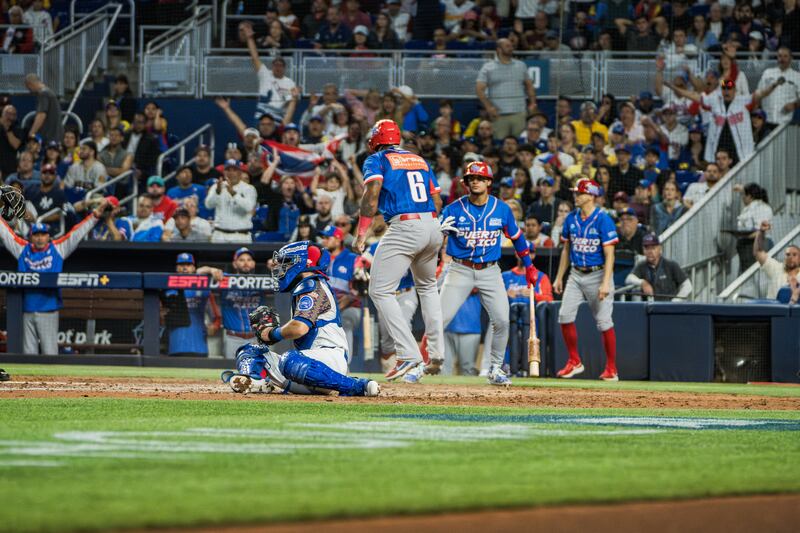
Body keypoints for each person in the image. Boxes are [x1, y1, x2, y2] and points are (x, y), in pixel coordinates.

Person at [431, 160, 537, 386]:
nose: (475, 181)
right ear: (466, 182)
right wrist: (438, 233)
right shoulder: (453, 209)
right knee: (438, 319)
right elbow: (432, 241)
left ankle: (495, 368)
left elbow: (517, 238)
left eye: (480, 178)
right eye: (471, 178)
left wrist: (529, 266)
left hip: (490, 270)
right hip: (460, 269)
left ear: (489, 182)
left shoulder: (502, 209)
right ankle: (426, 362)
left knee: (502, 321)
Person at [226, 242, 379, 396]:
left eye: (286, 263)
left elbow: (299, 328)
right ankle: (256, 381)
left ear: (303, 264)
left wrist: (271, 333)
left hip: (330, 360)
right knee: (250, 351)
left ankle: (355, 386)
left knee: (289, 359)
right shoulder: (305, 287)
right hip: (306, 369)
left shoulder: (312, 286)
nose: (281, 268)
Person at [355, 119, 444, 383]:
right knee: (428, 287)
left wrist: (362, 232)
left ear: (376, 139)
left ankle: (408, 354)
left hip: (405, 224)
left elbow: (372, 195)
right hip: (432, 224)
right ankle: (436, 353)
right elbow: (437, 199)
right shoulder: (418, 159)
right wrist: (429, 226)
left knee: (379, 290)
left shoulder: (377, 159)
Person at [0, 198, 109, 355]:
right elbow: (5, 233)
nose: (39, 238)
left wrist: (95, 215)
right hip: (27, 308)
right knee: (28, 353)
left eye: (43, 234)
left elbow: (76, 233)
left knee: (49, 352)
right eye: (36, 235)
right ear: (31, 237)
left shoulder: (57, 249)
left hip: (49, 309)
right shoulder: (23, 249)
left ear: (48, 237)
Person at [552, 179, 619, 381]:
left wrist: (605, 282)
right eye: (576, 192)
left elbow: (610, 254)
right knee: (564, 315)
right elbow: (566, 249)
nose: (576, 196)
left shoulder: (603, 219)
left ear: (591, 196)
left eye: (580, 193)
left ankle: (612, 369)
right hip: (576, 273)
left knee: (604, 322)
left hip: (598, 273)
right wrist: (559, 277)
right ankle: (574, 361)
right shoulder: (571, 218)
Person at [665, 76, 784, 164]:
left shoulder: (744, 101)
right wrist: (673, 87)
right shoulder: (714, 101)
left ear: (735, 90)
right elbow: (692, 95)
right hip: (719, 148)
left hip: (739, 150)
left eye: (729, 88)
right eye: (724, 88)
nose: (726, 91)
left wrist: (774, 85)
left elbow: (762, 93)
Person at [502, 242, 553, 377]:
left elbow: (549, 299)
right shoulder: (505, 276)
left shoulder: (540, 276)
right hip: (508, 320)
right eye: (521, 251)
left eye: (529, 252)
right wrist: (505, 294)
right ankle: (504, 368)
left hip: (531, 322)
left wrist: (534, 295)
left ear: (534, 255)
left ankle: (528, 370)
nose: (525, 255)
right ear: (516, 253)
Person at [476, 38, 538, 140]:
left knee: (520, 143)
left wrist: (533, 103)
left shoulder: (521, 65)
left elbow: (529, 86)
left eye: (511, 46)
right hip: (499, 115)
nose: (511, 48)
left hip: (519, 114)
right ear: (499, 49)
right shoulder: (488, 67)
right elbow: (479, 89)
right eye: (507, 46)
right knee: (500, 144)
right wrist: (489, 107)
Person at [239, 23, 299, 124]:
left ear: (284, 68)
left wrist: (292, 99)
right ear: (272, 66)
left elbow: (289, 105)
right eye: (276, 65)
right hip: (261, 117)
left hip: (278, 118)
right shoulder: (265, 74)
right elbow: (255, 57)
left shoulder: (290, 83)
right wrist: (250, 39)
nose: (278, 67)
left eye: (280, 65)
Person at [319, 224, 361, 357]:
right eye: (323, 238)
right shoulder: (320, 258)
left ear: (338, 240)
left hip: (349, 307)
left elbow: (359, 289)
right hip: (324, 306)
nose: (323, 241)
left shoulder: (353, 258)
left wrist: (349, 299)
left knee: (345, 322)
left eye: (327, 238)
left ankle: (345, 363)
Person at [168, 253, 221, 357]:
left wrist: (214, 326)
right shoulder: (169, 289)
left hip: (199, 345)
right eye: (181, 265)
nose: (184, 268)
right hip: (176, 344)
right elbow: (160, 315)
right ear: (176, 268)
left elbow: (216, 316)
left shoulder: (203, 289)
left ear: (193, 268)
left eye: (188, 265)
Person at [626, 233, 692, 301]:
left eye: (653, 248)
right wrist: (642, 282)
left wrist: (675, 301)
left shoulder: (671, 265)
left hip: (668, 305)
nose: (650, 252)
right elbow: (629, 278)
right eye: (647, 248)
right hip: (650, 306)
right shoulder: (641, 265)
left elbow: (687, 286)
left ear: (659, 248)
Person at [205, 159, 257, 243]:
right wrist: (217, 192)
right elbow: (208, 205)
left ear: (240, 172)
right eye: (228, 170)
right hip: (220, 235)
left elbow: (249, 208)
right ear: (224, 172)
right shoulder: (217, 186)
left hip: (241, 235)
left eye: (234, 170)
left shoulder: (249, 188)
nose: (231, 173)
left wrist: (234, 194)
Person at [754, 222, 800, 300]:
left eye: (794, 255)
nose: (790, 257)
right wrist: (761, 232)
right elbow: (758, 252)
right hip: (773, 307)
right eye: (788, 254)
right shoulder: (776, 268)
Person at [734, 183, 773, 272]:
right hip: (747, 245)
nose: (742, 198)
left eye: (744, 195)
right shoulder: (748, 208)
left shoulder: (761, 207)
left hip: (759, 244)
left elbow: (760, 230)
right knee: (746, 273)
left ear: (749, 196)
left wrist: (744, 235)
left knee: (755, 272)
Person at [24, 74, 63, 146]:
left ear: (30, 84)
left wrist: (32, 132)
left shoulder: (43, 94)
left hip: (49, 137)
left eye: (28, 88)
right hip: (55, 136)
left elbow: (41, 115)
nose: (29, 91)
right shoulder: (49, 92)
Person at [124, 112, 161, 180]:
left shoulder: (151, 140)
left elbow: (152, 162)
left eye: (141, 122)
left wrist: (143, 173)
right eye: (136, 122)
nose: (138, 125)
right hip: (122, 166)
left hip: (138, 170)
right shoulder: (125, 135)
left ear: (145, 124)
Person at [0, 105, 24, 180]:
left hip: (9, 168)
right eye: (7, 113)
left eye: (12, 114)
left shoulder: (17, 129)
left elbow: (15, 145)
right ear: (2, 114)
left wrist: (7, 129)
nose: (9, 117)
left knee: (7, 187)